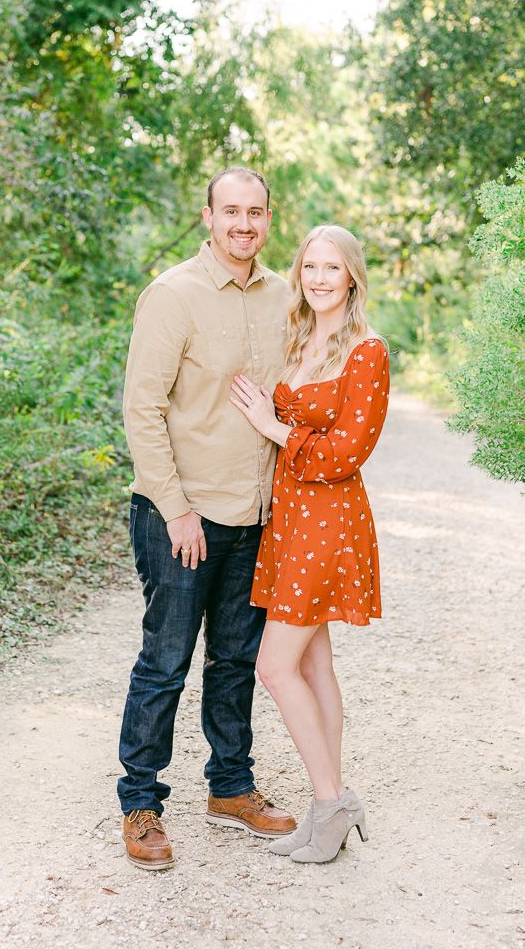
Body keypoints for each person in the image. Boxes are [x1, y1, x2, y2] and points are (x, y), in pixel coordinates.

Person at [118, 166, 297, 870]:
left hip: (254, 515)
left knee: (236, 661)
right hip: (182, 517)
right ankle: (141, 804)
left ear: (268, 219)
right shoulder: (173, 294)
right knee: (165, 662)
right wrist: (176, 509)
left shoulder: (284, 295)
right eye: (231, 211)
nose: (243, 224)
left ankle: (230, 787)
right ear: (209, 216)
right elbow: (142, 408)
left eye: (255, 212)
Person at [229, 224, 389, 864]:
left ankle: (331, 803)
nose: (319, 279)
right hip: (290, 516)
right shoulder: (300, 337)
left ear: (352, 277)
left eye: (332, 268)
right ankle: (331, 803)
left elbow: (347, 453)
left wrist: (271, 426)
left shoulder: (367, 352)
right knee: (315, 666)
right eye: (310, 267)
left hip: (329, 520)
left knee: (274, 667)